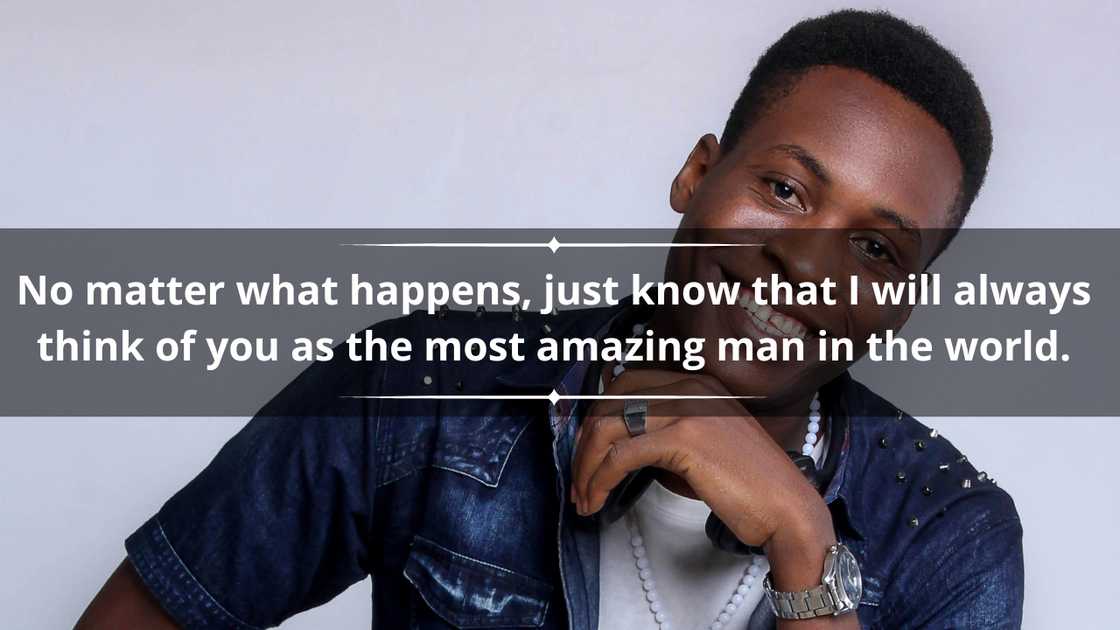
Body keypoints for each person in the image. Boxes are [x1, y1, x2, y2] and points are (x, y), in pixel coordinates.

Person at [77, 9, 1023, 630]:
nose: (807, 266)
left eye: (875, 251)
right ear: (699, 174)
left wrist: (801, 544)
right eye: (783, 188)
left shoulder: (950, 535)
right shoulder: (432, 392)